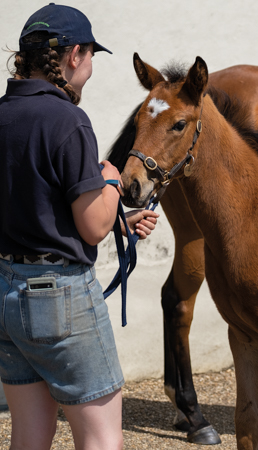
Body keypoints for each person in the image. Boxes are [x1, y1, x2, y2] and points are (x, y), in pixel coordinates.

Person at [0, 4, 159, 449]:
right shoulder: (68, 120)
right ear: (74, 56)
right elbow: (92, 226)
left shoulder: (3, 113)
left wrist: (119, 221)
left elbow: (32, 203)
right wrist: (110, 180)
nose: (90, 69)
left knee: (29, 437)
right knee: (102, 439)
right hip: (59, 299)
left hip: (5, 291)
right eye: (91, 57)